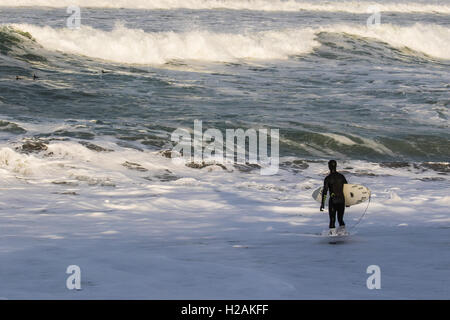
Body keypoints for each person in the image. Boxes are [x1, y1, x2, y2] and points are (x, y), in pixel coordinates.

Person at [320, 160, 348, 236]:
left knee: (332, 220)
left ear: (329, 166)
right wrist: (348, 201)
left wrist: (322, 203)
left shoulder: (328, 178)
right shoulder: (341, 177)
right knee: (340, 219)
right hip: (342, 200)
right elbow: (347, 189)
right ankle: (343, 233)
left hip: (333, 201)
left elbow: (325, 192)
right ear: (336, 166)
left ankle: (332, 236)